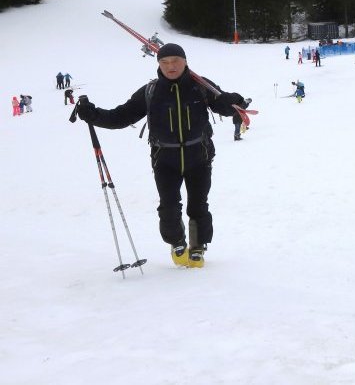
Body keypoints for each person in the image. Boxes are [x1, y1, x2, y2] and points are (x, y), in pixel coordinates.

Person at [74, 43, 246, 268]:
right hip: (165, 159)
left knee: (198, 204)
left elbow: (228, 107)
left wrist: (235, 100)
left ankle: (198, 245)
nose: (170, 67)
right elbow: (122, 117)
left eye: (175, 61)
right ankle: (176, 242)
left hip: (199, 157)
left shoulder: (200, 86)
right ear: (158, 65)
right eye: (164, 62)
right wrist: (94, 115)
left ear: (185, 61)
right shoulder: (150, 91)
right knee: (169, 205)